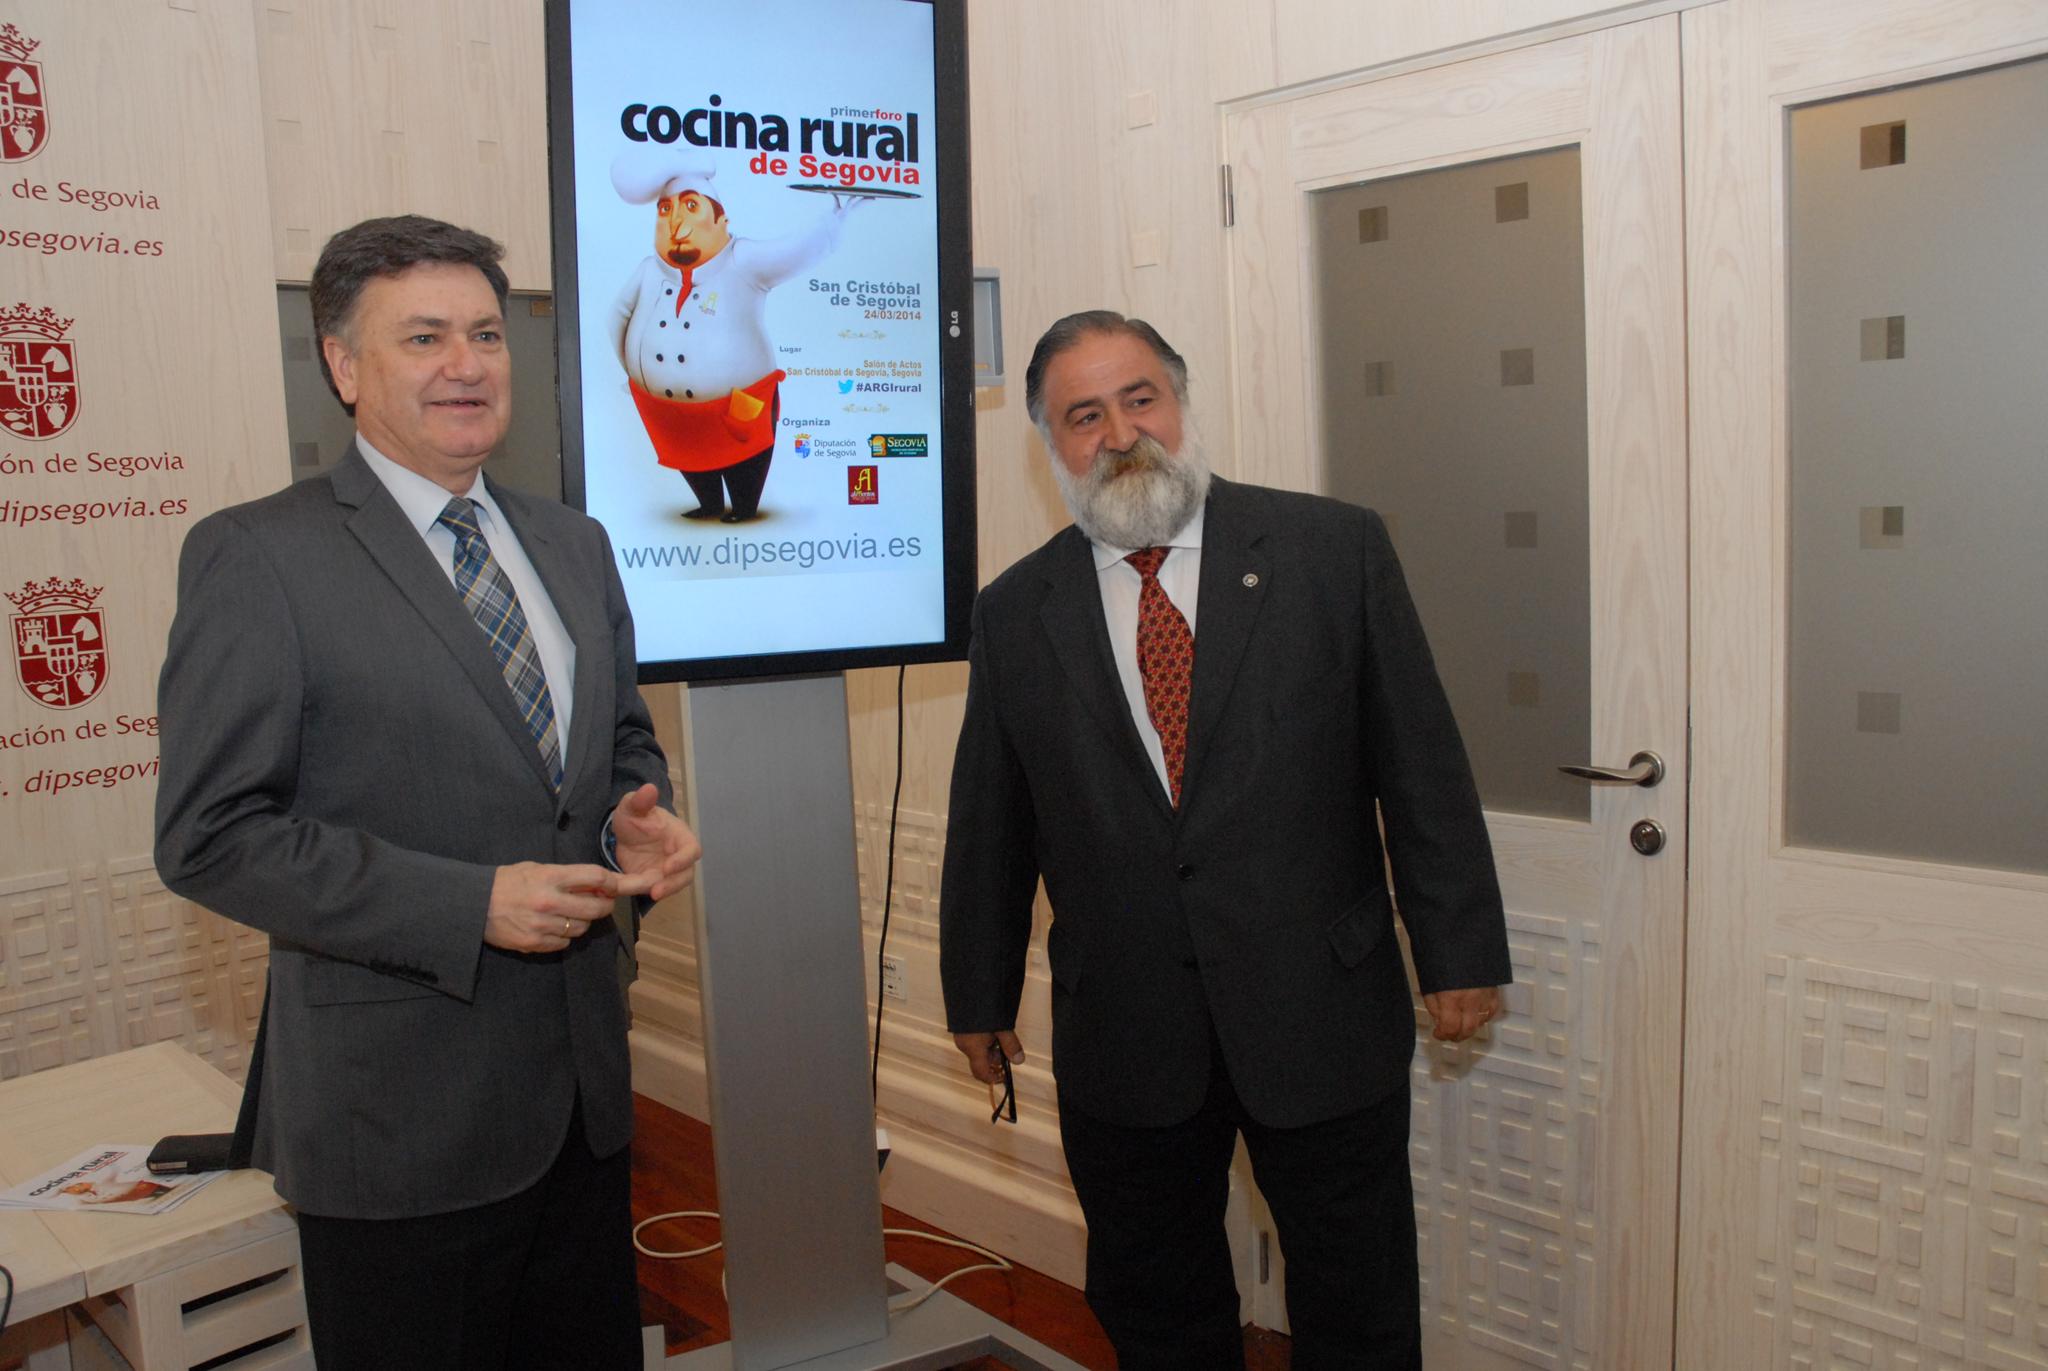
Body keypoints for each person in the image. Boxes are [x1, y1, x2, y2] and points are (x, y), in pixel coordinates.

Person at [154, 215, 701, 1371]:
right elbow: (211, 836)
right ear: (343, 366)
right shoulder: (260, 558)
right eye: (424, 337)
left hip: (583, 1102)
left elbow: (618, 743)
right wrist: (468, 905)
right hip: (397, 1126)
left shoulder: (574, 545)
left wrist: (631, 818)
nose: (467, 364)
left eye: (487, 334)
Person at [939, 311, 1511, 1369]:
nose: (1121, 434)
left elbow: (1419, 763)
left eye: (1139, 398)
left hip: (1318, 1012)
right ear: (1050, 445)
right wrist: (977, 993)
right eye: (1084, 416)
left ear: (1179, 401)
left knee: (1358, 1306)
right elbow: (992, 820)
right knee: (1157, 1310)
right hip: (1127, 1033)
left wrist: (1458, 948)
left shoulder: (1331, 551)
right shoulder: (1014, 613)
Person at [609, 147, 851, 522]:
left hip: (740, 403)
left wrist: (833, 216)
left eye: (691, 207)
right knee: (688, 455)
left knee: (746, 457)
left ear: (721, 220)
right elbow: (618, 317)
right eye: (665, 210)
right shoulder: (648, 271)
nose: (676, 225)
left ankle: (743, 505)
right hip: (669, 413)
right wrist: (633, 372)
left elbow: (795, 251)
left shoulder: (742, 259)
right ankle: (708, 503)